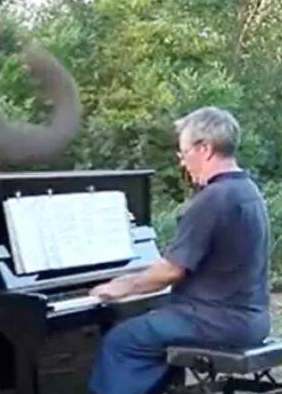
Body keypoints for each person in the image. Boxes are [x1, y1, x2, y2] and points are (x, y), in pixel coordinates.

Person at [87, 106, 271, 394]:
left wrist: (120, 286)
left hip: (217, 321)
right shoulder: (248, 190)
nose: (183, 163)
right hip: (249, 319)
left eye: (184, 154)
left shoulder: (213, 198)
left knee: (121, 341)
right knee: (152, 324)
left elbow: (171, 270)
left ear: (204, 149)